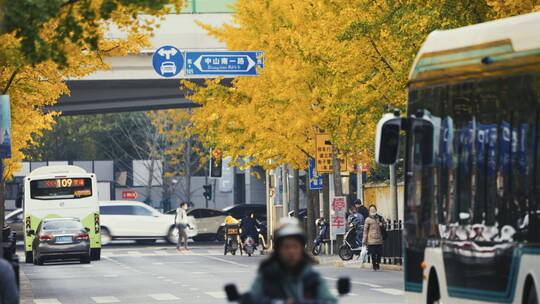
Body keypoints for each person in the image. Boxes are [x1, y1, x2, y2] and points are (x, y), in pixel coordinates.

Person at [247, 218, 337, 304]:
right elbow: (254, 298)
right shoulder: (267, 277)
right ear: (278, 249)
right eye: (286, 247)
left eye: (295, 246)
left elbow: (329, 300)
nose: (291, 252)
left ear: (302, 248)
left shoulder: (312, 278)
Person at [363, 204, 384, 271]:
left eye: (374, 210)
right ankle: (374, 265)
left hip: (379, 238)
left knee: (379, 253)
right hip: (371, 239)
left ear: (376, 210)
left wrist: (382, 225)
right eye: (371, 210)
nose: (373, 211)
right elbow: (365, 230)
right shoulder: (367, 219)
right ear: (369, 211)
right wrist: (364, 239)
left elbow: (385, 224)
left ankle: (378, 262)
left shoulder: (380, 218)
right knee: (373, 253)